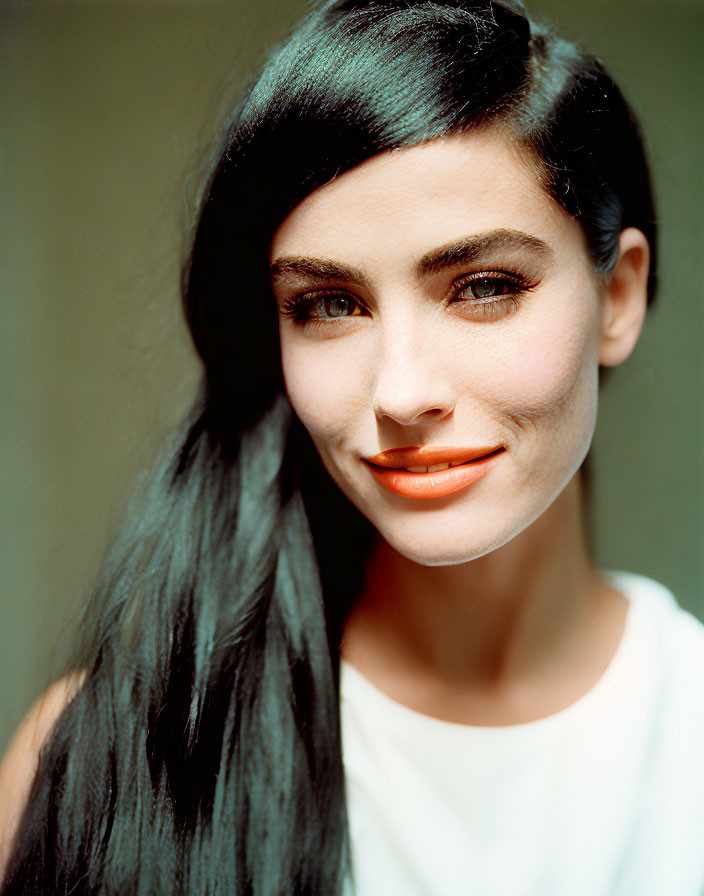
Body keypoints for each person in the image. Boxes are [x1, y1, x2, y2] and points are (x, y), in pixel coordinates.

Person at [1, 0, 703, 893]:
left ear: (619, 296)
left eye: (483, 287)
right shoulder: (99, 760)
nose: (401, 392)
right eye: (330, 305)